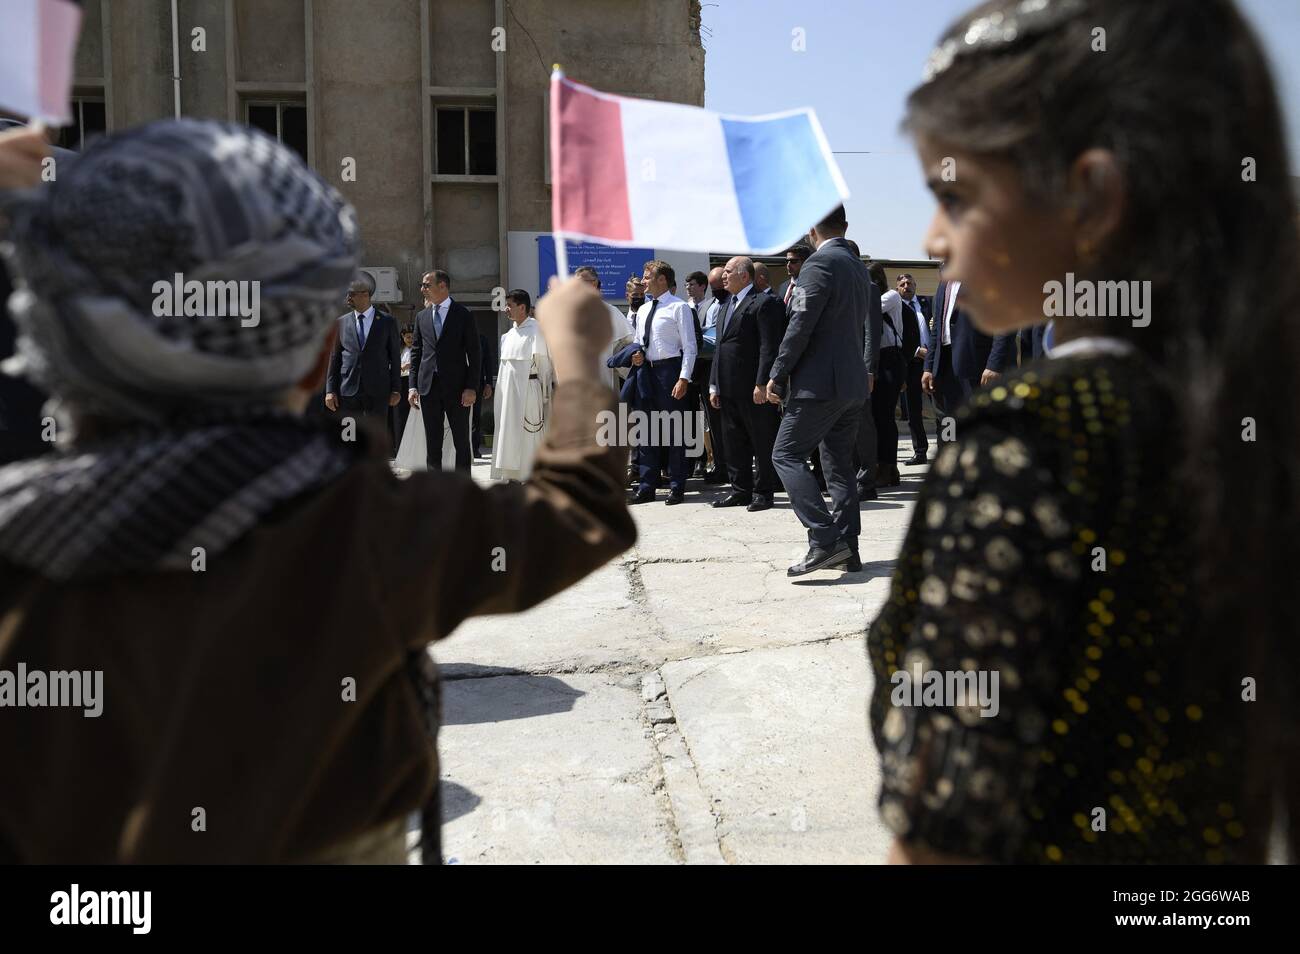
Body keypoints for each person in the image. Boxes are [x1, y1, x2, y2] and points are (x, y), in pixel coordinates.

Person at [0, 119, 635, 864]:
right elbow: (579, 511)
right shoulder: (359, 527)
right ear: (315, 358)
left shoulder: (22, 543)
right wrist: (581, 359)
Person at [868, 0, 1299, 865]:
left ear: (1092, 196)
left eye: (956, 195)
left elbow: (947, 830)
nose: (932, 237)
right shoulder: (1250, 418)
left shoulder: (1027, 444)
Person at [767, 205, 870, 575]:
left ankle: (824, 541)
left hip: (819, 385)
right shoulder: (858, 265)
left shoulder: (818, 265)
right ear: (844, 224)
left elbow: (800, 325)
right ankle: (848, 548)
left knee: (785, 454)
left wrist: (777, 374)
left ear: (811, 228)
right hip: (851, 383)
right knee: (839, 467)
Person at [708, 257, 783, 512]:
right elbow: (720, 347)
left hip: (753, 388)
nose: (723, 276)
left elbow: (768, 347)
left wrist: (763, 382)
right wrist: (714, 384)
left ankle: (763, 492)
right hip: (727, 387)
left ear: (744, 276)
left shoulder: (765, 302)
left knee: (761, 441)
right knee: (733, 441)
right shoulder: (726, 304)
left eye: (728, 271)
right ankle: (740, 490)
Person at [629, 259, 697, 505]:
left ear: (662, 280)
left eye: (648, 277)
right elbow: (639, 342)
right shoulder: (644, 310)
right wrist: (636, 356)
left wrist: (683, 378)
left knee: (674, 431)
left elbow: (690, 347)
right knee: (646, 430)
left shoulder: (679, 308)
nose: (643, 282)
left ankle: (677, 485)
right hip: (646, 372)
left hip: (670, 371)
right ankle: (647, 486)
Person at [921, 271, 1015, 445]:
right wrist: (928, 367)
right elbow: (937, 329)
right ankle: (950, 465)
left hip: (977, 365)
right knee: (948, 424)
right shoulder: (945, 282)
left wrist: (995, 364)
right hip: (945, 367)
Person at [409, 269, 481, 472]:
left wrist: (471, 387)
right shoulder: (422, 317)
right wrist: (412, 386)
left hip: (458, 389)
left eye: (426, 284)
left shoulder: (463, 314)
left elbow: (475, 354)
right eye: (422, 285)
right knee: (433, 442)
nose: (422, 288)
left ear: (442, 286)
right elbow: (416, 354)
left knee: (461, 442)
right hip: (428, 388)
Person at [325, 277, 402, 453]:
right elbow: (334, 357)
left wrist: (396, 389)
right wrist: (330, 390)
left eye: (351, 294)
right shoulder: (341, 322)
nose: (348, 298)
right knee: (349, 437)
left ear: (365, 295)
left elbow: (395, 358)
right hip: (348, 390)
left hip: (378, 390)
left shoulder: (387, 321)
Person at [491, 290, 553, 482]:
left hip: (529, 390)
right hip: (508, 393)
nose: (506, 309)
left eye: (509, 305)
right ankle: (512, 475)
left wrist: (543, 394)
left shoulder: (537, 331)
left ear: (522, 307)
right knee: (508, 432)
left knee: (530, 433)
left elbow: (545, 367)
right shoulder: (508, 335)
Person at [868, 262, 913, 488]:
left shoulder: (891, 297)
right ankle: (880, 466)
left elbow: (870, 307)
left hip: (890, 359)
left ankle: (889, 468)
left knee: (885, 417)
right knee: (877, 417)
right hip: (879, 359)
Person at [574, 266, 635, 393]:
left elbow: (630, 343)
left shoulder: (611, 312)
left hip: (603, 383)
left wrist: (620, 360)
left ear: (594, 284)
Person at [896, 273, 932, 464]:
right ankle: (920, 452)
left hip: (933, 363)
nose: (906, 286)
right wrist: (918, 351)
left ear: (916, 285)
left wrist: (932, 354)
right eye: (902, 284)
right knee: (914, 412)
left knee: (944, 409)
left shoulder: (929, 303)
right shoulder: (896, 308)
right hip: (912, 364)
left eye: (909, 283)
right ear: (897, 288)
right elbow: (898, 336)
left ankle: (949, 447)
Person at [472, 332, 496, 458]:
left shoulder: (481, 339)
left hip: (477, 384)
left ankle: (474, 448)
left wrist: (488, 384)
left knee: (476, 417)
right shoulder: (455, 335)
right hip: (457, 384)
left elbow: (488, 362)